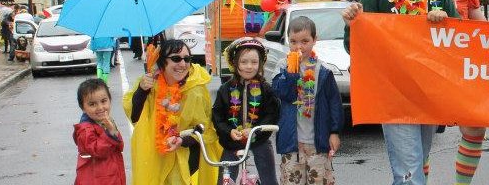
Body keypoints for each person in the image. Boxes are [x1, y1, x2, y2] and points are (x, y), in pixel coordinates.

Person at [342, 0, 460, 185]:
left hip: (428, 94)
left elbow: (460, 37)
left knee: (419, 163)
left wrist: (445, 22)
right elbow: (354, 45)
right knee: (408, 173)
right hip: (394, 95)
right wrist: (352, 21)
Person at [419, 0, 489, 185]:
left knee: (475, 127)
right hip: (424, 66)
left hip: (462, 65)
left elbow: (477, 18)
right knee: (421, 133)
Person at [122, 39, 221, 184]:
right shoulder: (151, 83)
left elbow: (205, 129)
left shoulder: (196, 90)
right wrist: (141, 91)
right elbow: (136, 117)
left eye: (187, 59)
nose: (182, 64)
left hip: (187, 155)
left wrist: (182, 140)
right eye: (176, 59)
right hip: (156, 154)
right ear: (163, 62)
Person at [273, 17, 344, 185]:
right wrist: (292, 74)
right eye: (293, 41)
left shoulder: (323, 70)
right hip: (292, 142)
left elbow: (334, 103)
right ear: (287, 41)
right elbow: (281, 93)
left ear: (314, 40)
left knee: (319, 180)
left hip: (318, 141)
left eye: (305, 41)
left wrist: (334, 132)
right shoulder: (282, 66)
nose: (299, 47)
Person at [212, 37, 281, 185]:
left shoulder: (266, 89)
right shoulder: (225, 89)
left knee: (269, 178)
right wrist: (228, 131)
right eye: (244, 62)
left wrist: (256, 130)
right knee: (224, 179)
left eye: (254, 62)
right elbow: (217, 116)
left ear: (260, 64)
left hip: (259, 139)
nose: (249, 66)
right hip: (232, 140)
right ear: (235, 63)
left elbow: (272, 114)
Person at [74, 79, 126, 185]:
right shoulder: (85, 130)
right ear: (83, 107)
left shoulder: (106, 121)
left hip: (112, 177)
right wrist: (110, 133)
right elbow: (97, 150)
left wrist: (112, 131)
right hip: (95, 180)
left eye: (103, 101)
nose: (100, 107)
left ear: (110, 100)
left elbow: (119, 146)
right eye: (92, 104)